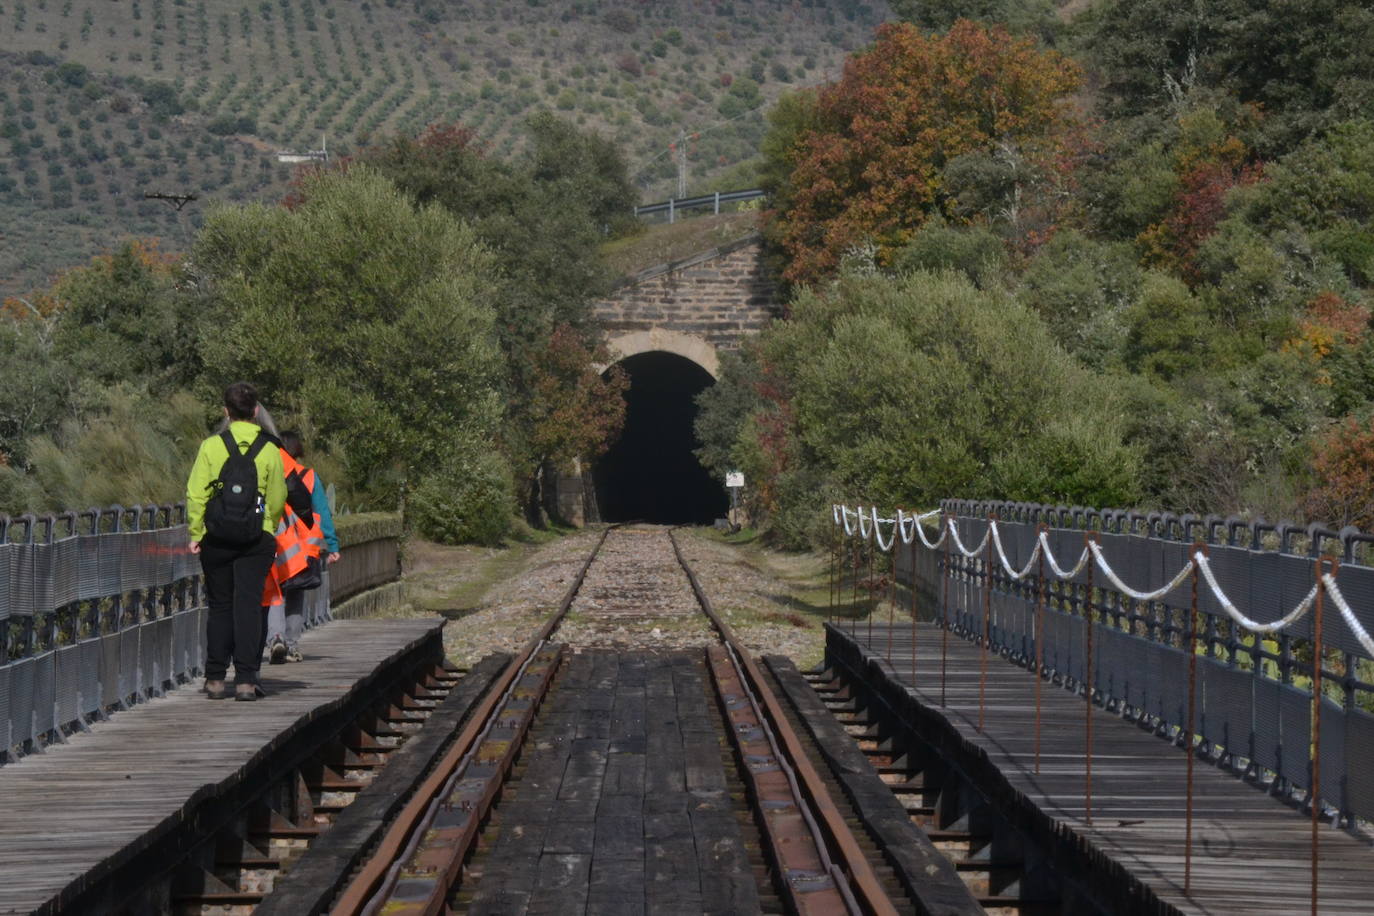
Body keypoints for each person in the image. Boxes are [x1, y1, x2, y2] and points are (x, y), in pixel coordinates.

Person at [186, 382, 286, 701]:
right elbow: (277, 498)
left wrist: (196, 533)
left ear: (226, 412)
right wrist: (265, 524)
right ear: (255, 411)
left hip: (216, 538)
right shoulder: (270, 449)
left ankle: (215, 679)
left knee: (220, 606)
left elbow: (196, 493)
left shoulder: (211, 447)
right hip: (256, 538)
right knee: (249, 605)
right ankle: (245, 680)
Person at [264, 431, 340, 664]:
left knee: (274, 591)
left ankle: (275, 637)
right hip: (304, 548)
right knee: (296, 593)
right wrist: (332, 544)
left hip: (275, 544)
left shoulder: (267, 474)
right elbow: (323, 513)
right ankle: (292, 644)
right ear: (298, 451)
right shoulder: (309, 477)